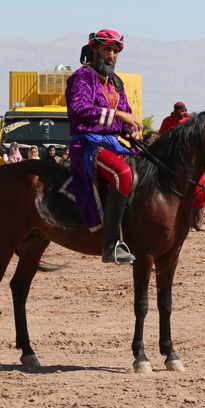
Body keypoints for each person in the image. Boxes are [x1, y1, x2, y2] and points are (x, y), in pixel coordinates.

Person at [66, 29, 143, 264]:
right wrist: (118, 114)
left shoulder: (116, 82)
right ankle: (110, 246)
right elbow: (80, 109)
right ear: (94, 50)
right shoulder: (82, 77)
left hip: (112, 142)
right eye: (107, 49)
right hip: (87, 143)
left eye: (115, 51)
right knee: (123, 174)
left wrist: (132, 130)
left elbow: (126, 115)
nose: (111, 55)